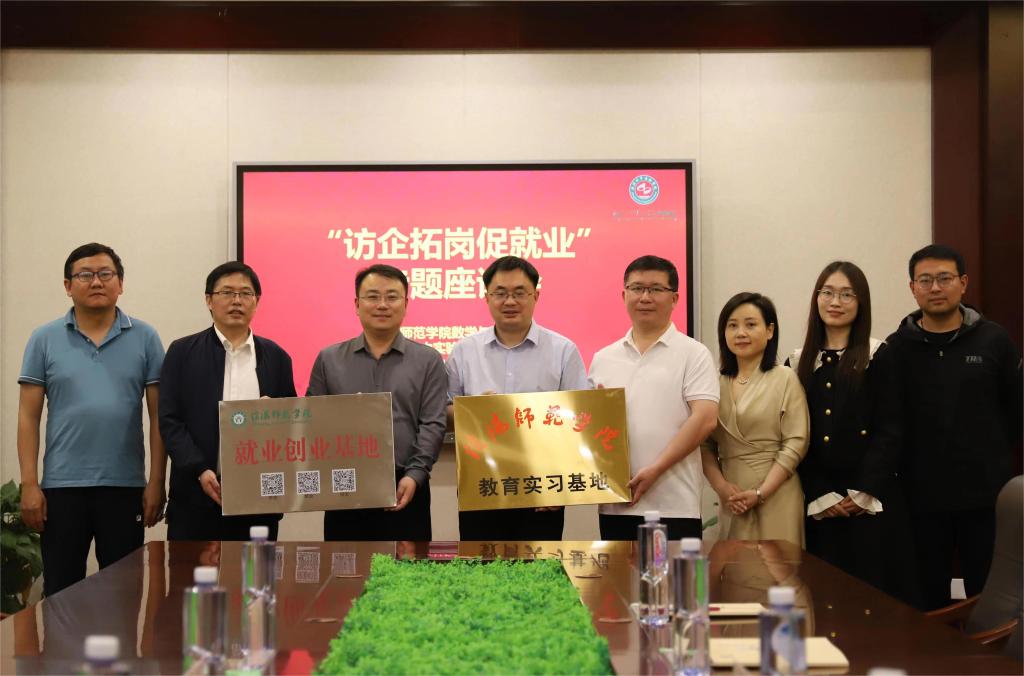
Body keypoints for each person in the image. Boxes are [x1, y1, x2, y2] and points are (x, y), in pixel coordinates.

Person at [17, 243, 166, 597]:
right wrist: (29, 484)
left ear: (120, 283)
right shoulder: (44, 339)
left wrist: (157, 482)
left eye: (105, 274)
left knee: (124, 593)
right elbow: (27, 416)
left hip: (125, 486)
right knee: (61, 593)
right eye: (85, 275)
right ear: (68, 285)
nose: (96, 282)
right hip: (61, 488)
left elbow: (159, 415)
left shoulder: (146, 337)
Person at [886, 244, 1022, 610]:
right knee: (926, 599)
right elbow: (890, 421)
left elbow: (1016, 413)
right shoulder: (896, 348)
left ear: (963, 283)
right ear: (912, 288)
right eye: (925, 280)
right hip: (920, 499)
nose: (935, 287)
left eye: (944, 278)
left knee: (990, 597)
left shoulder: (995, 341)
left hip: (986, 497)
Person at [788, 261, 919, 605]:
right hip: (819, 506)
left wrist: (863, 491)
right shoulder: (797, 362)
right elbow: (794, 438)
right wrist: (820, 494)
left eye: (847, 294)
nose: (836, 302)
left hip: (871, 502)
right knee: (822, 604)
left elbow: (891, 429)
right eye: (828, 292)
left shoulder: (880, 355)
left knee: (875, 604)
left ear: (861, 303)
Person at [447, 256, 589, 541]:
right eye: (500, 293)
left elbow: (580, 420)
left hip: (543, 488)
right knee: (481, 565)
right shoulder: (464, 351)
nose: (509, 301)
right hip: (482, 485)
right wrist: (474, 412)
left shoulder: (563, 350)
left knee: (540, 566)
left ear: (536, 295)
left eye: (519, 292)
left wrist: (560, 486)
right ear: (487, 297)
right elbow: (445, 411)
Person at [307, 264, 447, 541]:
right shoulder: (329, 359)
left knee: (407, 566)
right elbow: (312, 421)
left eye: (392, 297)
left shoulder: (428, 360)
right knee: (345, 566)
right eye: (372, 296)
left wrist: (415, 474)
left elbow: (433, 423)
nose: (382, 305)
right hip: (344, 486)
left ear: (406, 304)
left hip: (406, 485)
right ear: (357, 304)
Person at [159, 261, 296, 541]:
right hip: (195, 495)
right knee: (190, 571)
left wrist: (277, 416)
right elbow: (170, 420)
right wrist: (199, 469)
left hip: (258, 500)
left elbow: (293, 422)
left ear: (257, 301)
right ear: (209, 300)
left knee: (254, 570)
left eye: (245, 293)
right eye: (227, 292)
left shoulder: (277, 357)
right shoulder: (182, 352)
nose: (236, 300)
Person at [588, 255, 719, 540]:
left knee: (673, 572)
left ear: (674, 298)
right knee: (619, 572)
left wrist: (656, 470)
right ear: (624, 295)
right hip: (616, 502)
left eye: (656, 289)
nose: (645, 297)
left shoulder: (694, 353)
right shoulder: (603, 358)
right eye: (637, 288)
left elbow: (706, 419)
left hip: (674, 504)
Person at [700, 292, 809, 546]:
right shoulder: (714, 383)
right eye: (732, 325)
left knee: (778, 566)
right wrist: (722, 488)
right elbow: (704, 445)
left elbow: (796, 442)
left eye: (750, 325)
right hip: (733, 498)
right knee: (736, 568)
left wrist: (761, 492)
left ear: (770, 331)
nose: (741, 333)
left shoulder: (785, 377)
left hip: (777, 493)